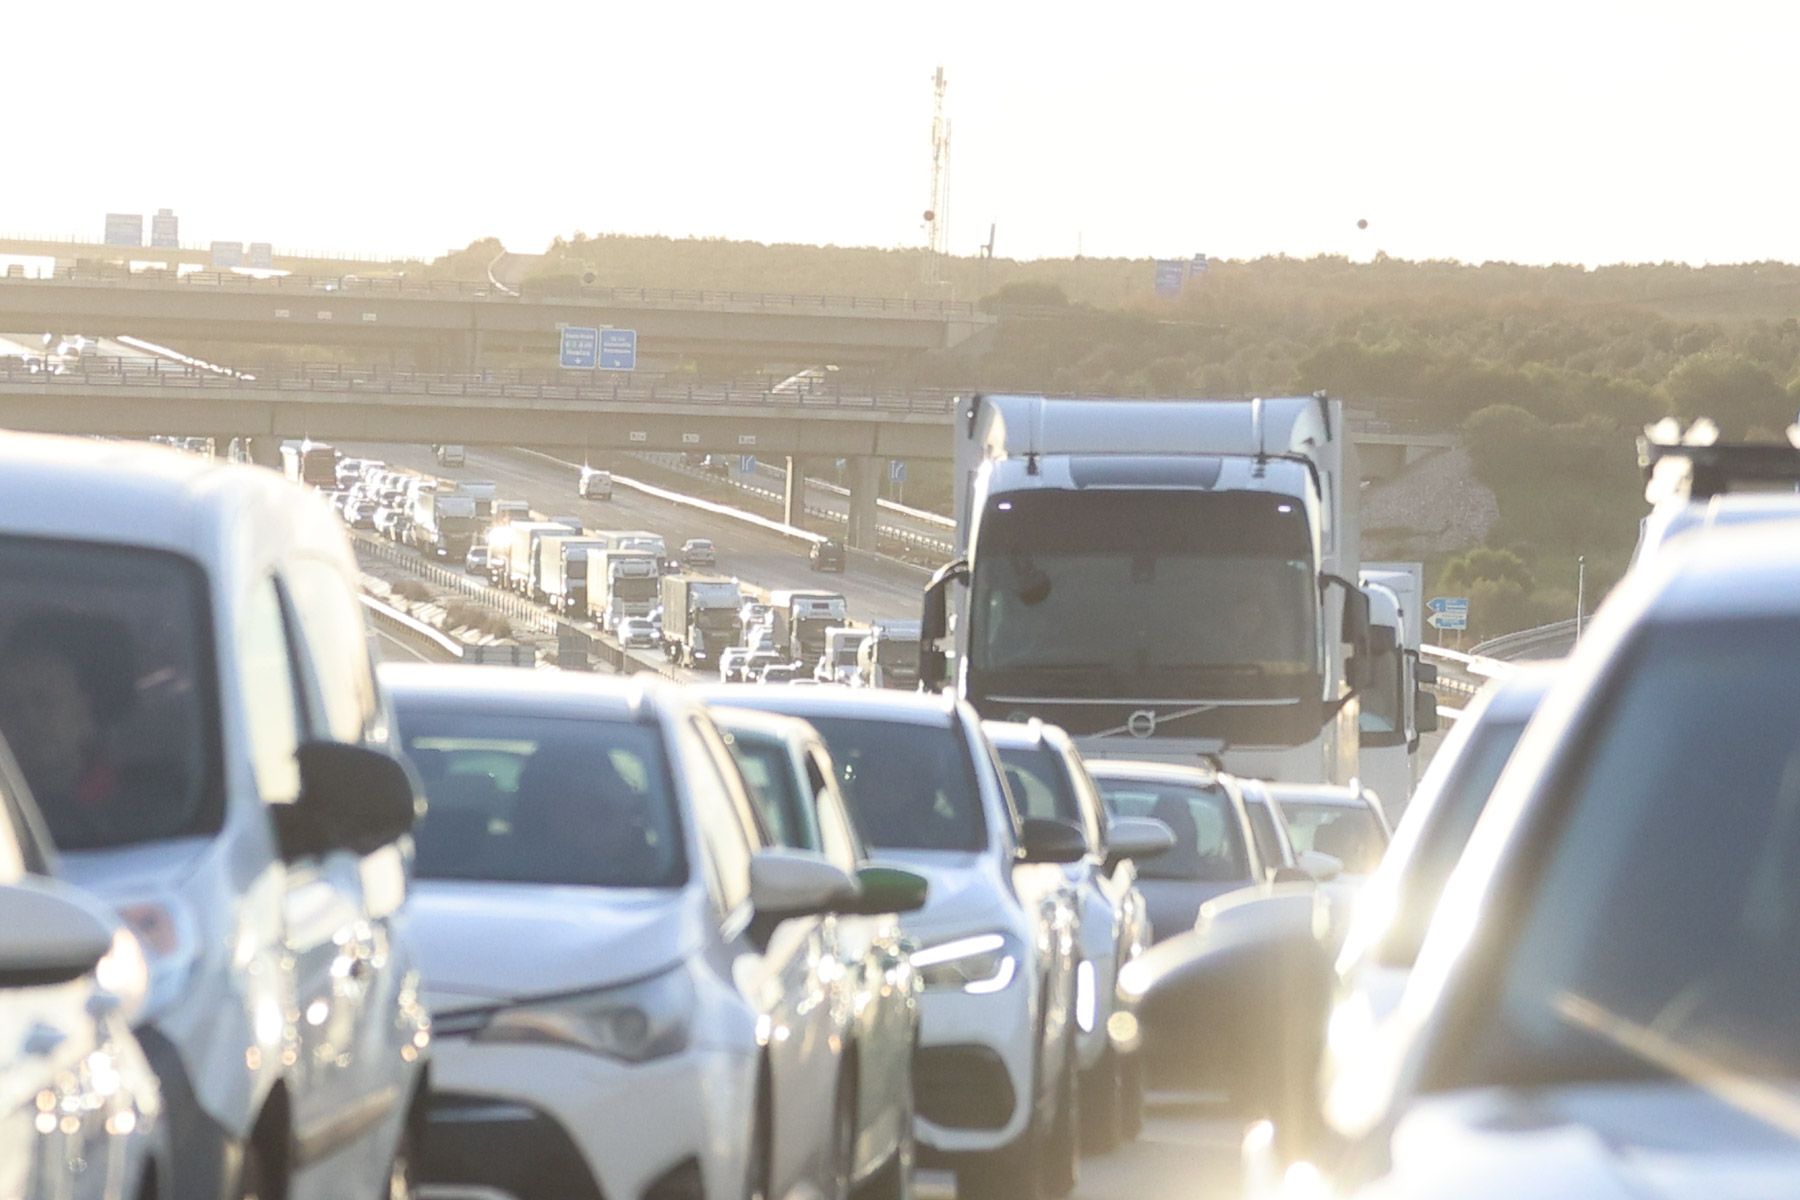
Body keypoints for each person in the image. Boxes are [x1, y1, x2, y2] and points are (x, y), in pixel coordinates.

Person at [0, 610, 139, 823]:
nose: (28, 719)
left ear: (84, 713)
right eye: (12, 707)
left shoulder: (142, 809)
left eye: (43, 702)